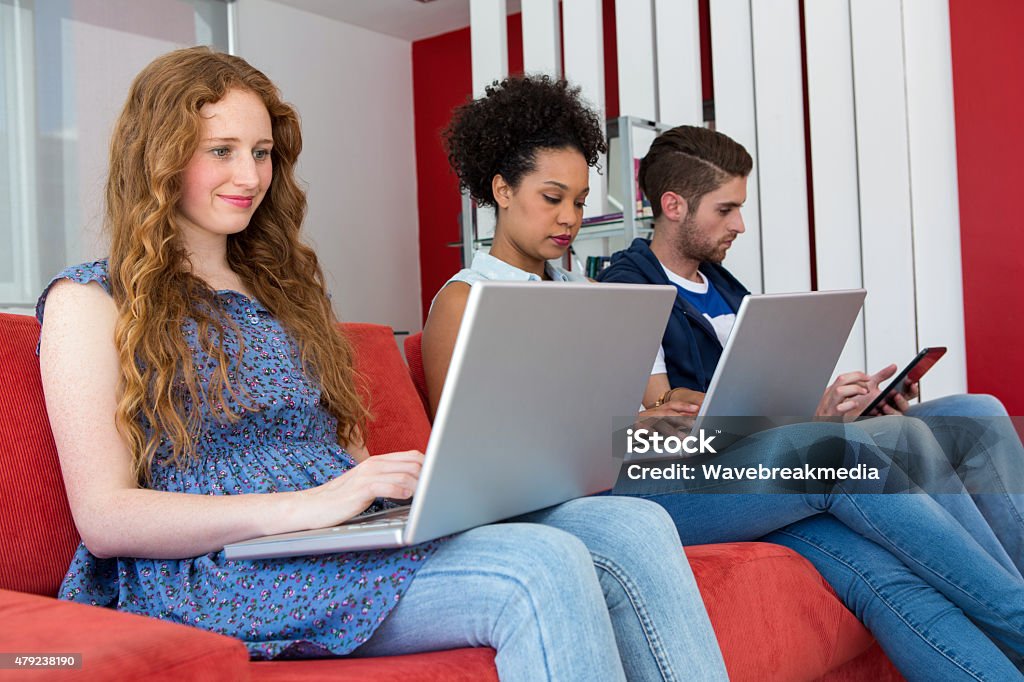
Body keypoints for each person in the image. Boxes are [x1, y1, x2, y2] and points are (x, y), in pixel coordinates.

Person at [35, 47, 729, 681]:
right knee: (537, 569)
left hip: (342, 533)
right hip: (222, 567)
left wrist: (379, 488)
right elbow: (105, 516)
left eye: (262, 152)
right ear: (159, 156)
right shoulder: (89, 299)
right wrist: (311, 505)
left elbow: (340, 452)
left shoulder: (289, 294)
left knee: (631, 524)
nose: (249, 176)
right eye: (220, 151)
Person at [422, 78, 1024, 680]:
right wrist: (634, 429)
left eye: (579, 202)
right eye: (552, 197)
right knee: (835, 451)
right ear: (500, 190)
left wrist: (651, 422)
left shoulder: (583, 291)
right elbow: (475, 456)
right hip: (598, 500)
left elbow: (619, 416)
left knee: (873, 567)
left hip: (645, 464)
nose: (568, 219)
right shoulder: (465, 298)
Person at [596, 124, 1024, 573]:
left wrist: (842, 408)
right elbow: (665, 426)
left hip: (787, 434)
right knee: (905, 436)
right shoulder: (630, 286)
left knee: (979, 412)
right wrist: (813, 419)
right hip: (724, 466)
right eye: (726, 210)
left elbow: (769, 391)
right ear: (673, 206)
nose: (740, 225)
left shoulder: (725, 286)